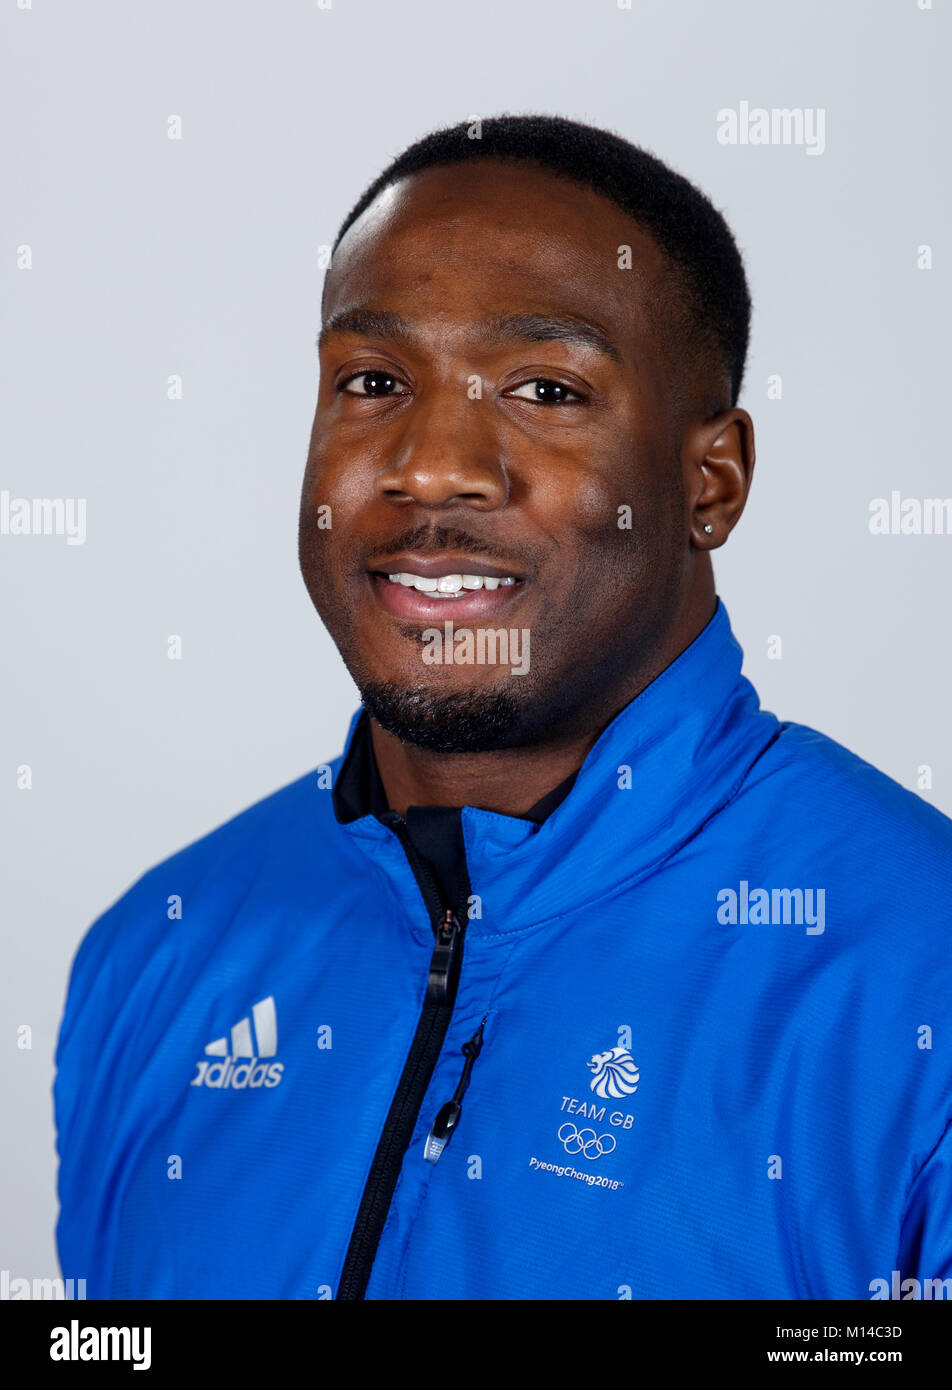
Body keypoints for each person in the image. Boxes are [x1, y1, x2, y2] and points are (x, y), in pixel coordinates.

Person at [54, 114, 952, 1301]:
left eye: (544, 388)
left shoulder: (914, 970)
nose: (431, 465)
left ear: (711, 482)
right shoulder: (156, 949)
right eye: (373, 382)